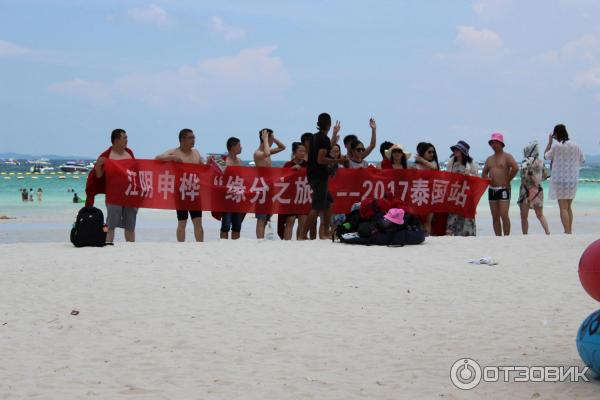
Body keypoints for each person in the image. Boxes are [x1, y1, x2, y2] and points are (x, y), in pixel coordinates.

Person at [301, 113, 346, 240]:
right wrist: (338, 161)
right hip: (319, 176)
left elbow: (323, 149)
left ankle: (326, 232)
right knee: (316, 207)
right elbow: (321, 159)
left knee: (329, 202)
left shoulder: (315, 137)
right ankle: (302, 235)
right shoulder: (323, 139)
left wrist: (333, 136)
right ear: (329, 124)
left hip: (312, 174)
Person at [156, 128, 204, 242]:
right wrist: (172, 158)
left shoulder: (196, 152)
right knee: (182, 221)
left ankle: (200, 245)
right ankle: (181, 245)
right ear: (182, 139)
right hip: (181, 191)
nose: (194, 140)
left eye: (194, 138)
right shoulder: (174, 152)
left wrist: (206, 163)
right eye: (191, 138)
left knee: (198, 221)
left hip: (194, 190)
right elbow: (157, 159)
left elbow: (202, 169)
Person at [92, 128, 137, 243]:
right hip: (113, 195)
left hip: (129, 194)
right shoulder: (107, 155)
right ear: (116, 140)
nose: (127, 140)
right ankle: (107, 243)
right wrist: (98, 165)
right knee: (110, 224)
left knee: (130, 225)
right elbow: (98, 176)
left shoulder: (129, 153)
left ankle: (131, 247)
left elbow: (135, 172)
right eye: (124, 138)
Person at [544, 124, 585, 234]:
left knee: (563, 208)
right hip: (572, 180)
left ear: (556, 134)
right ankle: (569, 230)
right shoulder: (576, 146)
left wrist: (549, 142)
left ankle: (567, 231)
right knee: (568, 206)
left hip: (559, 179)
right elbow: (583, 160)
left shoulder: (556, 146)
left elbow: (546, 156)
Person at [482, 132, 518, 236]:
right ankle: (498, 237)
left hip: (503, 189)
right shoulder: (489, 159)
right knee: (495, 216)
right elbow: (484, 173)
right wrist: (487, 178)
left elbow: (515, 168)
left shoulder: (507, 156)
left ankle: (506, 236)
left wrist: (508, 180)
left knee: (504, 214)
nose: (494, 145)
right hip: (492, 189)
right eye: (492, 143)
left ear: (501, 143)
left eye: (496, 142)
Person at [253, 128, 286, 239]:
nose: (271, 141)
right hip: (262, 188)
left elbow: (283, 147)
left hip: (270, 187)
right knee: (261, 218)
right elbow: (266, 153)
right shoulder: (258, 153)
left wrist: (273, 138)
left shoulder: (267, 151)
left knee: (267, 216)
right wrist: (266, 139)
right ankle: (260, 240)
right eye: (270, 138)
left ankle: (263, 237)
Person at [445, 141, 478, 236]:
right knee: (453, 217)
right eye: (455, 149)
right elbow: (447, 177)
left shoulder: (471, 163)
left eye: (457, 149)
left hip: (466, 194)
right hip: (454, 194)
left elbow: (477, 179)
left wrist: (469, 175)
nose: (455, 151)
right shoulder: (451, 162)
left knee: (467, 217)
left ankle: (468, 234)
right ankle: (451, 235)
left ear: (463, 151)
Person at [518, 141, 550, 235]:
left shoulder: (525, 162)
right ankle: (547, 232)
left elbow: (523, 176)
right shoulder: (541, 162)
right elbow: (544, 176)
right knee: (540, 215)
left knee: (524, 217)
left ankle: (525, 234)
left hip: (525, 191)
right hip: (538, 191)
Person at [280, 142, 308, 240]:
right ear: (294, 152)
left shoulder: (307, 165)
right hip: (290, 196)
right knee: (290, 220)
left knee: (303, 220)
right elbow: (281, 178)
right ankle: (287, 242)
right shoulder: (288, 164)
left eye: (304, 151)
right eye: (300, 151)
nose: (303, 153)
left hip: (303, 196)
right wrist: (291, 170)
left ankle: (300, 240)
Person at [220, 137, 245, 240]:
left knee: (237, 225)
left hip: (238, 197)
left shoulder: (239, 161)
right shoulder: (223, 161)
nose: (241, 147)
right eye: (239, 145)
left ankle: (235, 245)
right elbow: (215, 176)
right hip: (226, 197)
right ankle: (223, 244)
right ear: (233, 147)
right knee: (225, 224)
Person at [413, 142, 440, 235]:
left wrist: (421, 159)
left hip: (430, 195)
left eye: (433, 152)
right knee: (419, 220)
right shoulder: (416, 165)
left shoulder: (433, 163)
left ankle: (427, 238)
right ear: (423, 152)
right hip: (418, 195)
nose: (432, 154)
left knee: (428, 221)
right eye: (429, 152)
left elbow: (434, 168)